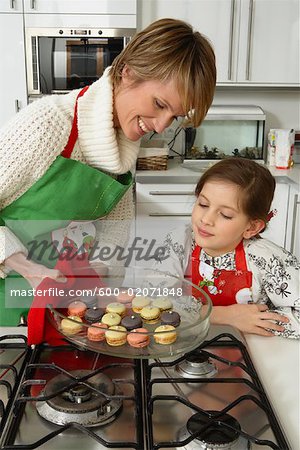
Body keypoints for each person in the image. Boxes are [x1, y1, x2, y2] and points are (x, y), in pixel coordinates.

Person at [0, 18, 217, 325]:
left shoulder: (123, 150)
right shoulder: (47, 125)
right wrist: (23, 265)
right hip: (6, 301)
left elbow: (115, 230)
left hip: (62, 306)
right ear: (127, 72)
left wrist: (95, 278)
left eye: (174, 116)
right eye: (158, 104)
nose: (159, 126)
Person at [150, 158, 300, 338]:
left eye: (226, 215)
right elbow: (154, 304)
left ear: (251, 228)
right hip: (184, 343)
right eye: (203, 204)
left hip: (246, 348)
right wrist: (227, 315)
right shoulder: (178, 242)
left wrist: (256, 319)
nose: (206, 219)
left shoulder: (267, 259)